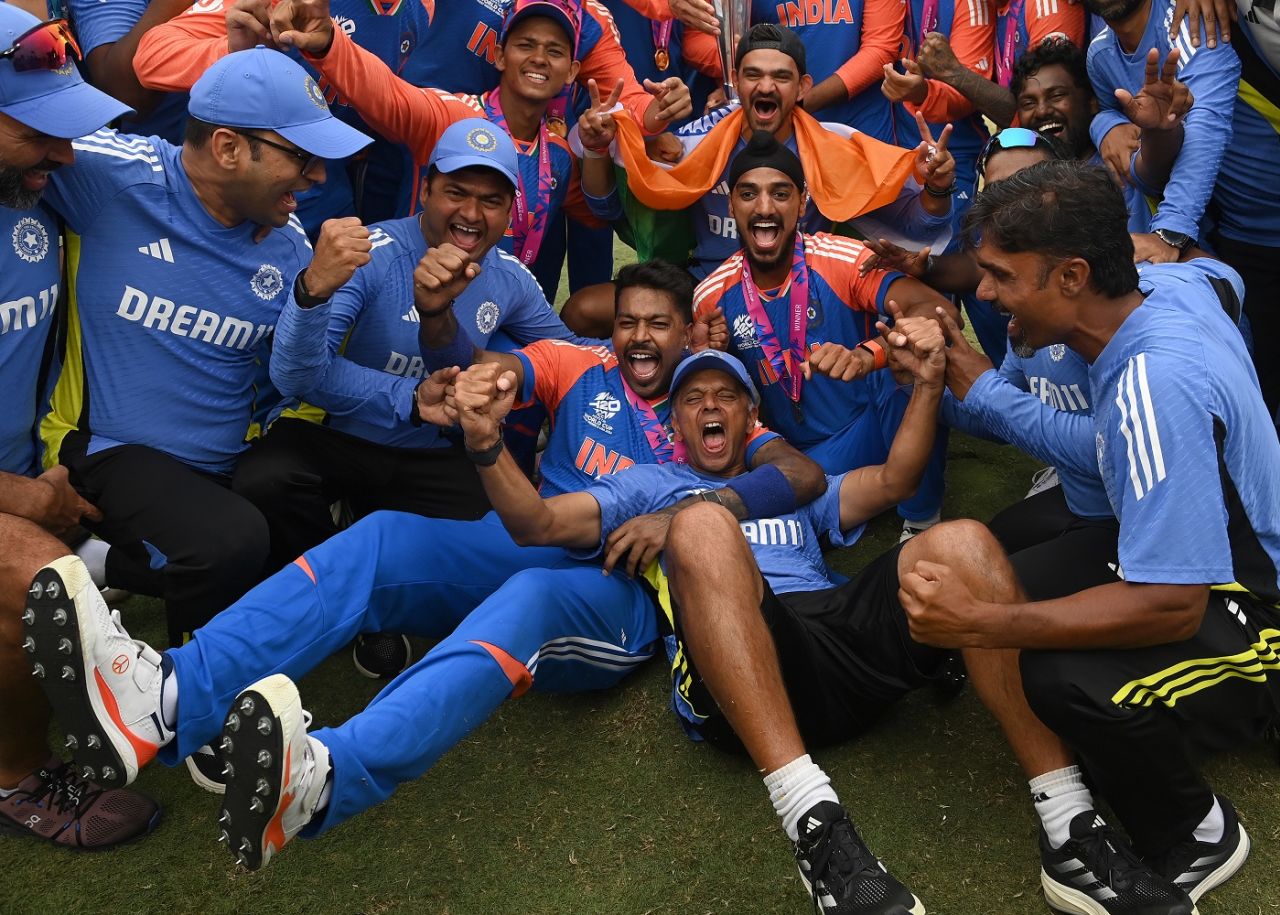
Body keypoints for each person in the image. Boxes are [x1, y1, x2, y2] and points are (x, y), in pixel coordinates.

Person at [19, 260, 825, 822]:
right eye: (627, 324)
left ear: (690, 329)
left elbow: (797, 475)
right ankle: (167, 697)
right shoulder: (580, 362)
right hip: (525, 534)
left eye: (659, 324)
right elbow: (515, 367)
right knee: (382, 540)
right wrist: (493, 382)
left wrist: (688, 512)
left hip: (613, 594)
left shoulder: (711, 402)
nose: (640, 338)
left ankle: (335, 773)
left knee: (531, 598)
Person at [907, 159, 1272, 914]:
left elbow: (1171, 604)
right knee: (1004, 568)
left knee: (1057, 672)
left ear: (1073, 277)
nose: (984, 292)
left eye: (1003, 276)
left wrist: (986, 625)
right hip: (1203, 550)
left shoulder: (1151, 383)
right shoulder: (1166, 285)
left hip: (1257, 603)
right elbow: (1223, 276)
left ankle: (1194, 831)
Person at [37, 46, 371, 652]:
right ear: (226, 149)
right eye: (302, 157)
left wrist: (314, 294)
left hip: (219, 466)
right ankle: (182, 702)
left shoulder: (293, 249)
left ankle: (101, 563)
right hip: (109, 451)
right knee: (228, 541)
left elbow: (298, 378)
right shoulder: (113, 175)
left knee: (286, 559)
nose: (320, 177)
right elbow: (26, 137)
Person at [232, 118, 597, 574]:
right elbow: (299, 373)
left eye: (491, 201)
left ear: (509, 216)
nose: (471, 213)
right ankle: (336, 573)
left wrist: (661, 342)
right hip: (342, 437)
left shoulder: (510, 278)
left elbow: (572, 356)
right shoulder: (370, 254)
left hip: (433, 452)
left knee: (502, 535)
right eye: (456, 192)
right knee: (265, 480)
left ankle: (377, 559)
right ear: (425, 191)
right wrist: (409, 400)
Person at [0, 2, 161, 848]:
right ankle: (17, 775)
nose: (63, 155)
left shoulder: (35, 195)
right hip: (16, 494)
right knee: (42, 580)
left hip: (34, 469)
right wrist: (26, 497)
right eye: (39, 134)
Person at [265, 0, 649, 302]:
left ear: (571, 72)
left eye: (554, 51)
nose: (538, 58)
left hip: (501, 310)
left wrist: (598, 151)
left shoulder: (559, 154)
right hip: (413, 300)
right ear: (499, 56)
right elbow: (384, 92)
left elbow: (600, 214)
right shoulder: (453, 114)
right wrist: (330, 42)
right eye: (525, 45)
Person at [693, 132, 954, 536]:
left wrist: (869, 355)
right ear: (731, 206)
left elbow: (935, 309)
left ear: (802, 202)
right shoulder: (711, 295)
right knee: (758, 525)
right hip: (796, 458)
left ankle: (922, 521)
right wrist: (708, 355)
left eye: (780, 194)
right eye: (749, 195)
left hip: (872, 427)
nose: (764, 208)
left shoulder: (841, 259)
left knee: (906, 364)